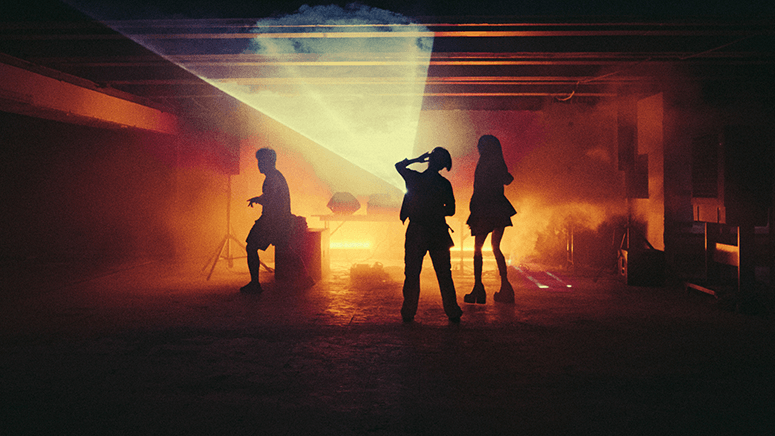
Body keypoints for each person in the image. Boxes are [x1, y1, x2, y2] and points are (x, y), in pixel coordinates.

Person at [396, 147, 463, 323]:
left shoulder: (414, 178)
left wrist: (416, 160)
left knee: (412, 273)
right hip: (438, 231)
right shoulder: (444, 184)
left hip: (416, 230)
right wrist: (436, 211)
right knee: (444, 274)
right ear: (443, 165)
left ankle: (408, 311)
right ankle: (452, 310)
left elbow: (398, 166)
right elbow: (451, 210)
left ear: (429, 160)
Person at [464, 134, 516, 304]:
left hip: (483, 208)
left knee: (478, 249)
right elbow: (507, 180)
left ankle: (478, 288)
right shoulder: (498, 162)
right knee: (496, 247)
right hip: (498, 208)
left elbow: (478, 188)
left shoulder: (483, 163)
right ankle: (505, 286)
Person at [241, 148, 293, 294]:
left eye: (260, 161)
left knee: (251, 247)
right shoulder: (276, 176)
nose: (258, 164)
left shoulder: (272, 178)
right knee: (287, 247)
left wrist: (258, 200)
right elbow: (272, 196)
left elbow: (269, 199)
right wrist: (259, 199)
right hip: (280, 220)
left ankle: (255, 284)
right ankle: (305, 277)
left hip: (272, 221)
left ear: (269, 161)